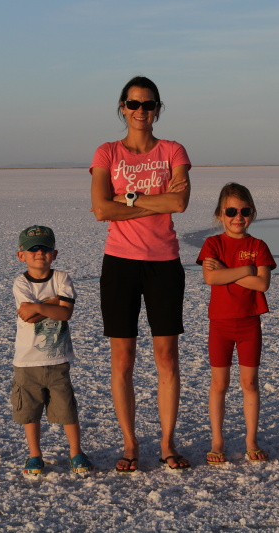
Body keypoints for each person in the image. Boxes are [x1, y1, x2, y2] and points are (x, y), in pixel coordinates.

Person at [90, 76, 192, 472]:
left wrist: (128, 199)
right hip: (120, 264)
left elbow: (179, 202)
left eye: (148, 104)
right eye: (133, 104)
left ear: (157, 109)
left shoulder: (173, 150)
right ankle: (130, 443)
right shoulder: (107, 152)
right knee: (123, 359)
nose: (140, 111)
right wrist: (154, 200)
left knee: (167, 357)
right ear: (122, 107)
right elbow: (101, 209)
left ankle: (167, 443)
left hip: (164, 263)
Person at [196, 183, 277, 466]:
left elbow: (262, 284)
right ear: (220, 214)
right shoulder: (213, 244)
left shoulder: (258, 246)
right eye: (231, 211)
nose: (237, 217)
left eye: (244, 211)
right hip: (220, 324)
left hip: (249, 324)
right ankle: (217, 440)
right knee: (219, 383)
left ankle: (251, 440)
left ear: (252, 213)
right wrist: (245, 270)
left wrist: (228, 272)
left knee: (249, 383)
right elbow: (211, 278)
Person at [11, 225, 93, 477]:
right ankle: (35, 454)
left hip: (58, 359)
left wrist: (38, 306)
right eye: (33, 249)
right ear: (21, 255)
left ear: (54, 254)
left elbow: (65, 314)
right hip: (27, 362)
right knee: (30, 412)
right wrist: (54, 302)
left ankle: (76, 451)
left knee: (67, 410)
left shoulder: (61, 278)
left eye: (45, 248)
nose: (40, 253)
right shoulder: (21, 283)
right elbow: (27, 316)